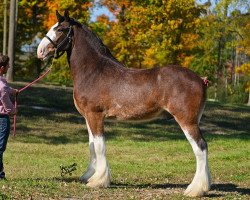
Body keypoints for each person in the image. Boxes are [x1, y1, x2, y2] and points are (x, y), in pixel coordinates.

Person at [0, 54, 18, 180]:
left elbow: (5, 89)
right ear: (2, 68)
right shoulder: (2, 87)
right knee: (0, 147)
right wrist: (13, 111)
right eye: (7, 65)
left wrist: (12, 90)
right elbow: (6, 102)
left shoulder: (3, 84)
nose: (9, 67)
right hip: (2, 119)